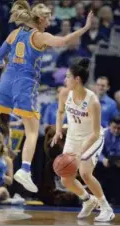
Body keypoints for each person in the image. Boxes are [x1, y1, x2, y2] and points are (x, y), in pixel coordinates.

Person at [0, 0, 94, 193]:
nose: (49, 22)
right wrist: (85, 27)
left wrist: (3, 64)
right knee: (31, 130)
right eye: (47, 19)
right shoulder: (40, 36)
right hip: (25, 85)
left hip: (6, 81)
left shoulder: (15, 33)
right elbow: (64, 42)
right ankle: (24, 170)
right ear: (40, 19)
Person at [51, 57, 114, 222]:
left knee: (85, 173)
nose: (65, 80)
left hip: (92, 138)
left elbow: (94, 133)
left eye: (67, 77)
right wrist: (58, 130)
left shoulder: (93, 102)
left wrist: (79, 153)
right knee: (65, 178)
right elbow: (59, 113)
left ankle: (106, 208)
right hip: (73, 136)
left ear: (77, 79)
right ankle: (88, 200)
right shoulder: (65, 93)